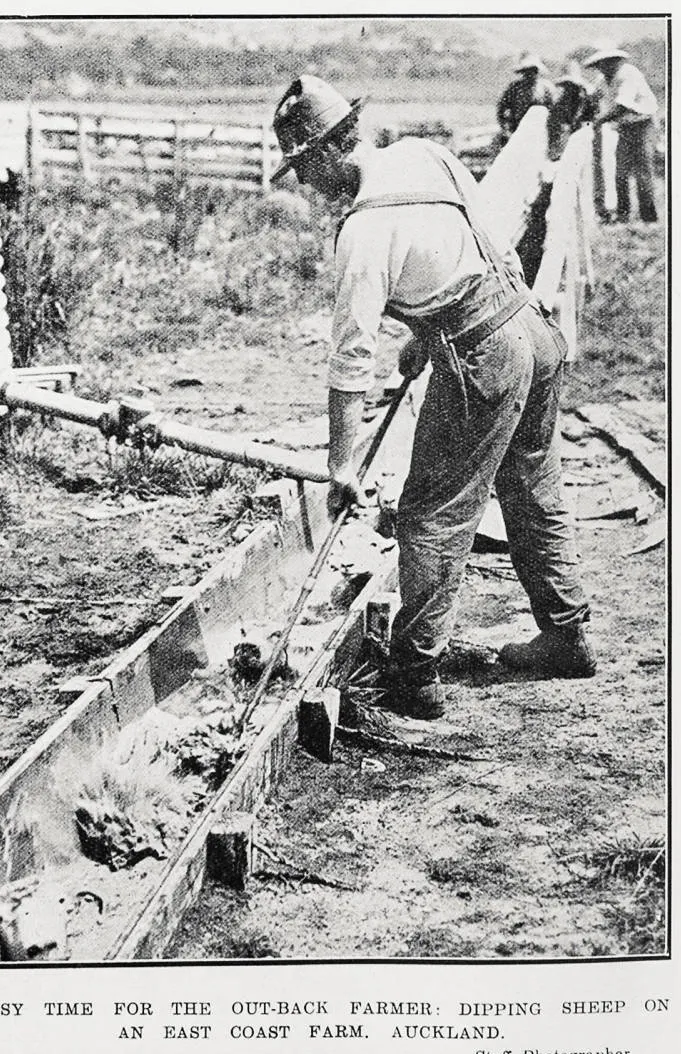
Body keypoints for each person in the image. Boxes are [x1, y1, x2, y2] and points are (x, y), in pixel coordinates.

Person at [271, 75, 595, 719]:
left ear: (331, 151)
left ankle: (415, 676)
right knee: (531, 482)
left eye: (305, 168)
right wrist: (427, 329)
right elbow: (481, 239)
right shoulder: (422, 153)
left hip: (483, 355)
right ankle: (566, 636)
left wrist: (341, 465)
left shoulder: (362, 233)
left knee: (430, 512)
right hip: (529, 324)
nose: (306, 185)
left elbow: (351, 360)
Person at [584, 43, 658, 224]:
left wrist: (598, 121)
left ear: (615, 62)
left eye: (607, 63)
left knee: (642, 172)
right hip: (624, 128)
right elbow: (592, 99)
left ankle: (648, 217)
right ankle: (623, 214)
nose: (603, 67)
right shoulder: (603, 80)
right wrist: (585, 113)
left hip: (642, 124)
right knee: (621, 173)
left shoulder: (628, 74)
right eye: (600, 64)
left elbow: (621, 106)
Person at [497, 53, 556, 144]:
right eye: (527, 71)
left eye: (533, 70)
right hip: (517, 130)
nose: (530, 74)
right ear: (523, 72)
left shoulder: (546, 88)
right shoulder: (514, 87)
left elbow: (554, 110)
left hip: (539, 132)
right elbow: (501, 108)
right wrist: (506, 129)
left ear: (537, 71)